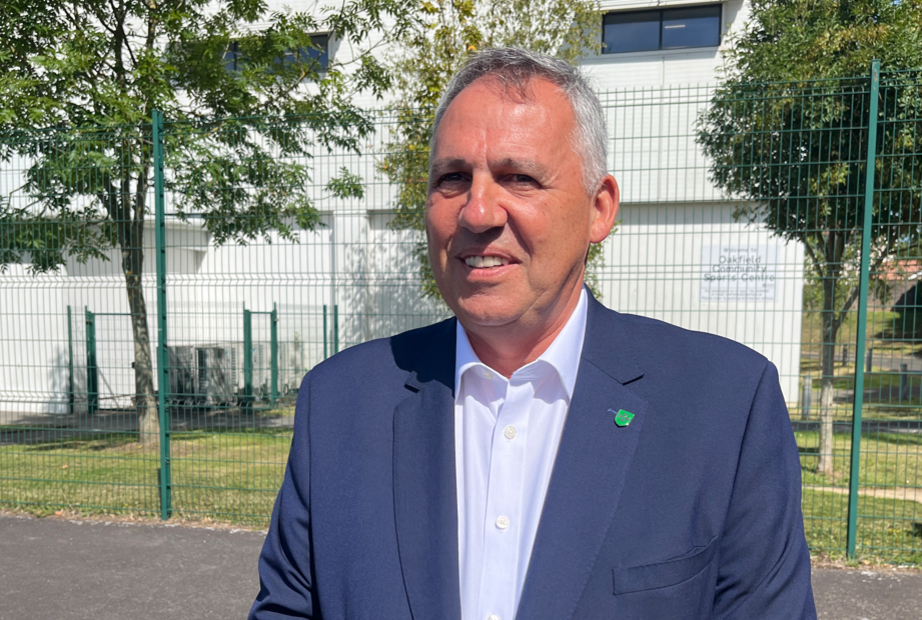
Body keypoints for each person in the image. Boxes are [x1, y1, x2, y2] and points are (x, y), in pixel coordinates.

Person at [250, 47, 816, 620]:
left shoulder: (722, 407)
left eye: (517, 178)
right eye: (452, 179)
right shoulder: (341, 404)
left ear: (599, 209)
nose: (477, 212)